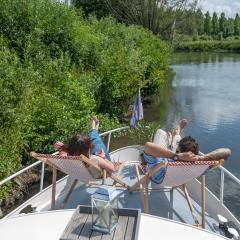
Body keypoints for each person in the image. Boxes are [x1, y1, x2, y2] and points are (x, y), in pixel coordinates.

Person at [142, 119, 231, 184]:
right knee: (177, 137)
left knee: (160, 132)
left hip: (158, 176)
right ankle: (175, 134)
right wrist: (202, 158)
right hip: (178, 179)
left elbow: (148, 146)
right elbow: (227, 152)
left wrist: (177, 156)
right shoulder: (202, 166)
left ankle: (172, 138)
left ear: (179, 151)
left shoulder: (168, 162)